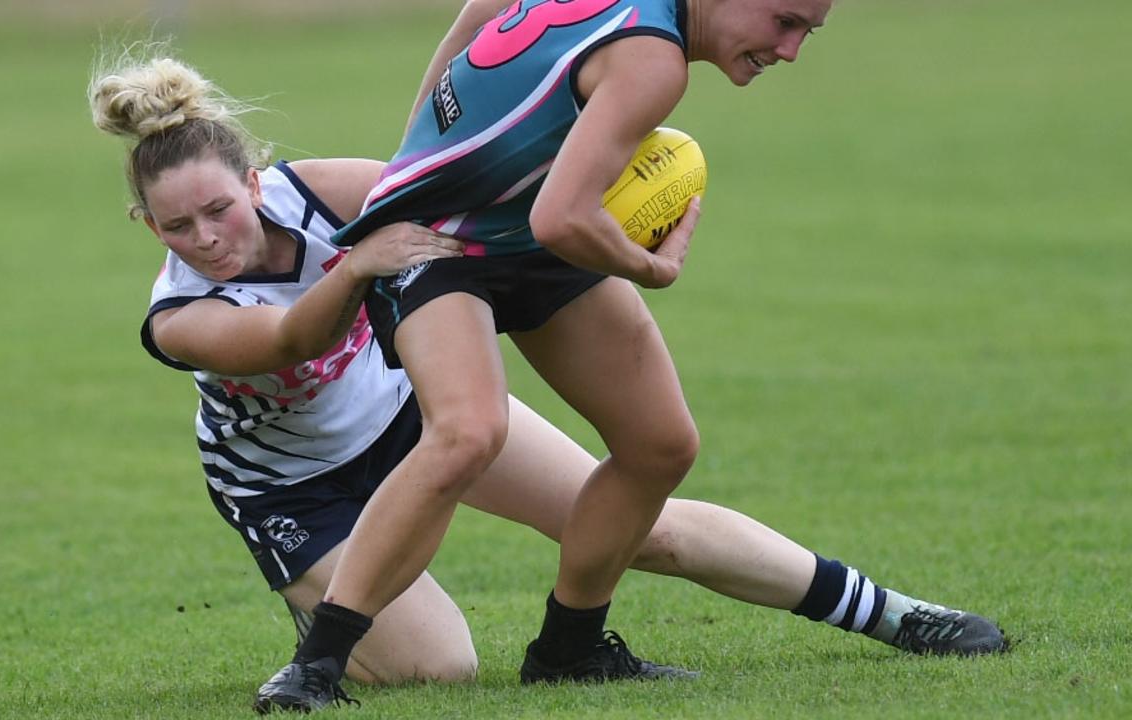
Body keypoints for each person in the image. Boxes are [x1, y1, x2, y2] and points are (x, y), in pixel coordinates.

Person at [88, 34, 1006, 715]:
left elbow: (452, 196)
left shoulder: (321, 190)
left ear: (254, 181)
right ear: (148, 229)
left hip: (407, 416)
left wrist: (587, 209)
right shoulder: (177, 318)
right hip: (298, 486)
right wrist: (359, 266)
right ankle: (321, 610)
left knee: (640, 529)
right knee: (438, 669)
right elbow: (288, 338)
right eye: (177, 227)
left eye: (218, 208)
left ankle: (896, 615)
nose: (207, 238)